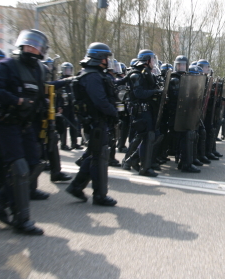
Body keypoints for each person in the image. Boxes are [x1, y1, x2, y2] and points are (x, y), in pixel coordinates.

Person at [0, 29, 49, 237]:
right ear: (21, 46)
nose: (31, 49)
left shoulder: (39, 69)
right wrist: (17, 100)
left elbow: (40, 94)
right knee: (19, 168)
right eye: (28, 45)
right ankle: (21, 218)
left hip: (27, 124)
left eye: (35, 46)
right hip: (8, 123)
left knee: (33, 164)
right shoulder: (7, 65)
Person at [65, 43, 119, 206]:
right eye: (105, 58)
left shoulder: (93, 74)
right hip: (95, 122)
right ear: (97, 57)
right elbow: (100, 101)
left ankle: (76, 187)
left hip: (97, 121)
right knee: (99, 157)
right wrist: (114, 112)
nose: (107, 61)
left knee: (95, 155)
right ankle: (100, 195)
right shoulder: (92, 76)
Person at [122, 49, 162, 177]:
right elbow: (139, 93)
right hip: (140, 111)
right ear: (147, 60)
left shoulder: (145, 73)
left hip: (146, 110)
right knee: (146, 137)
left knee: (145, 136)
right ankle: (143, 167)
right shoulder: (136, 75)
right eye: (152, 59)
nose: (154, 62)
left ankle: (132, 160)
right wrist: (155, 92)